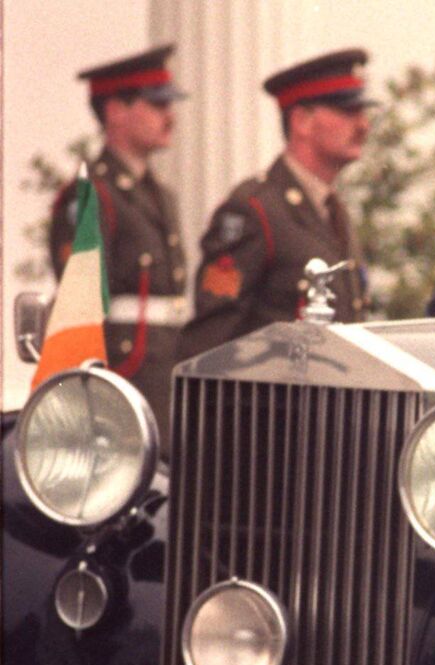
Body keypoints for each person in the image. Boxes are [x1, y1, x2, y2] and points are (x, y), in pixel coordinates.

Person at [177, 49, 372, 362]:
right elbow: (211, 343)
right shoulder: (253, 210)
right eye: (348, 111)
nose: (364, 125)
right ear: (301, 120)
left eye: (363, 112)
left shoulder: (333, 211)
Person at [49, 45, 188, 454]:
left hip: (164, 382)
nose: (170, 116)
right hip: (122, 386)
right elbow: (82, 310)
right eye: (157, 104)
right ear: (115, 110)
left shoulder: (161, 195)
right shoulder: (91, 194)